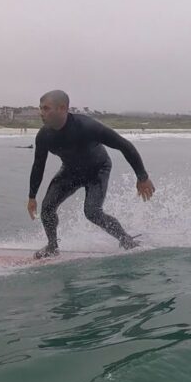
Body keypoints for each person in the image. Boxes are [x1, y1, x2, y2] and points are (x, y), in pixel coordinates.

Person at [27, 90, 155, 259]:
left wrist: (142, 177)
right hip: (70, 172)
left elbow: (124, 145)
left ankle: (126, 240)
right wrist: (32, 196)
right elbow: (38, 165)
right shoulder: (44, 136)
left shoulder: (87, 127)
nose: (41, 113)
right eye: (40, 108)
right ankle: (52, 247)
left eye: (46, 108)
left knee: (92, 212)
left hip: (98, 170)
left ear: (62, 108)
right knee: (47, 209)